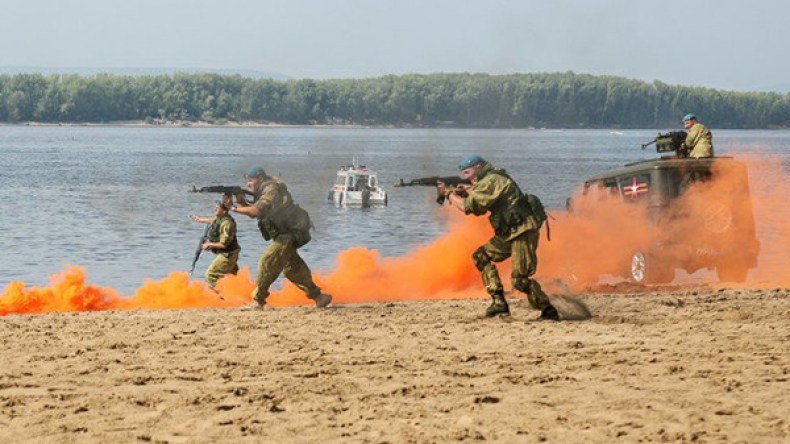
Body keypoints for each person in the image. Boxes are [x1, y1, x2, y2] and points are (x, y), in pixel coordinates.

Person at [440, 155, 559, 320]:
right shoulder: (487, 181)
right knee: (481, 257)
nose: (466, 176)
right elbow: (480, 206)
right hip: (508, 232)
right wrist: (465, 191)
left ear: (478, 167)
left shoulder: (492, 180)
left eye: (468, 172)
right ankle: (499, 303)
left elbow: (470, 207)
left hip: (522, 230)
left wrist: (449, 195)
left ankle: (548, 309)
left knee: (519, 280)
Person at [227, 166, 331, 309]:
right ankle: (319, 297)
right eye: (247, 182)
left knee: (267, 260)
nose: (248, 184)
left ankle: (258, 301)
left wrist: (232, 208)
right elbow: (256, 209)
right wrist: (240, 201)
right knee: (292, 268)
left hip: (290, 233)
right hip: (286, 233)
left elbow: (255, 211)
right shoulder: (263, 191)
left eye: (251, 181)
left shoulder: (271, 189)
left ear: (260, 178)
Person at [189, 201, 241, 289]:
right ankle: (239, 296)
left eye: (218, 208)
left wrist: (209, 244)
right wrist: (199, 219)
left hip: (228, 255)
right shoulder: (220, 218)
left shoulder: (227, 224)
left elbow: (223, 245)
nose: (215, 209)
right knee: (233, 277)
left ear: (224, 211)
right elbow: (213, 220)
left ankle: (220, 298)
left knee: (210, 275)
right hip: (230, 253)